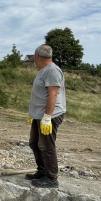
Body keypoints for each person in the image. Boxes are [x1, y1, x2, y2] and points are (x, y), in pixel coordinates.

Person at [25, 44, 66, 188]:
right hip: (39, 115)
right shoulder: (44, 70)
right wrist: (33, 114)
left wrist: (47, 117)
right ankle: (42, 171)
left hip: (50, 116)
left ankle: (51, 178)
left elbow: (53, 95)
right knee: (34, 143)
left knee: (46, 146)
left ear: (36, 56)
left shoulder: (52, 71)